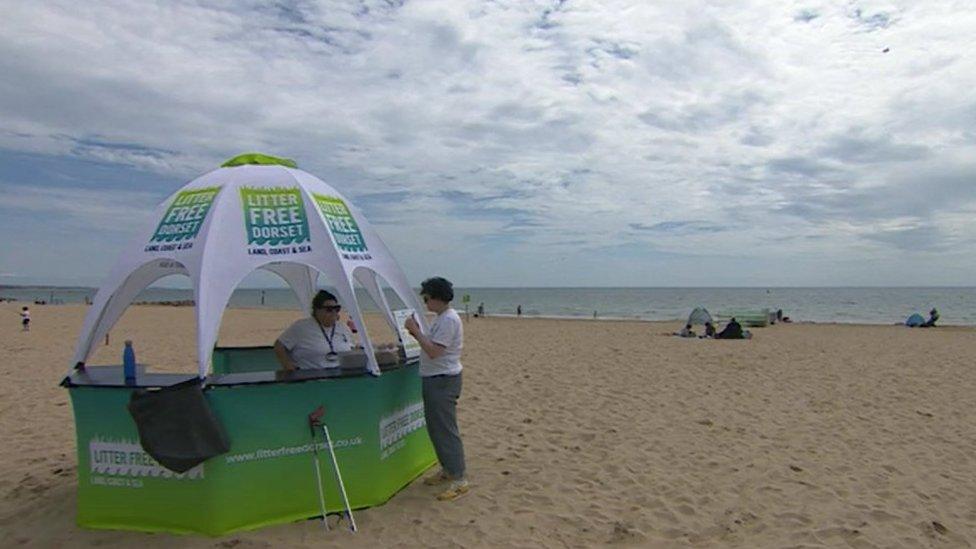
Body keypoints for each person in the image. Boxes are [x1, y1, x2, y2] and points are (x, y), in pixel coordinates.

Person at [404, 277, 468, 501]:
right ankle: (448, 469)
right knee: (436, 428)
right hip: (435, 378)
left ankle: (459, 477)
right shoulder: (442, 318)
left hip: (443, 379)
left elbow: (434, 351)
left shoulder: (449, 320)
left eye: (427, 297)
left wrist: (415, 332)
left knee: (445, 429)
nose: (425, 302)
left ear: (436, 297)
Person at [273, 290, 354, 371]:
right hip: (310, 375)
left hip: (338, 375)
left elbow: (349, 348)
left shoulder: (343, 328)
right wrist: (288, 366)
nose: (334, 312)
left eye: (336, 309)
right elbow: (279, 345)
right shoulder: (301, 327)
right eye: (329, 309)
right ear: (317, 310)